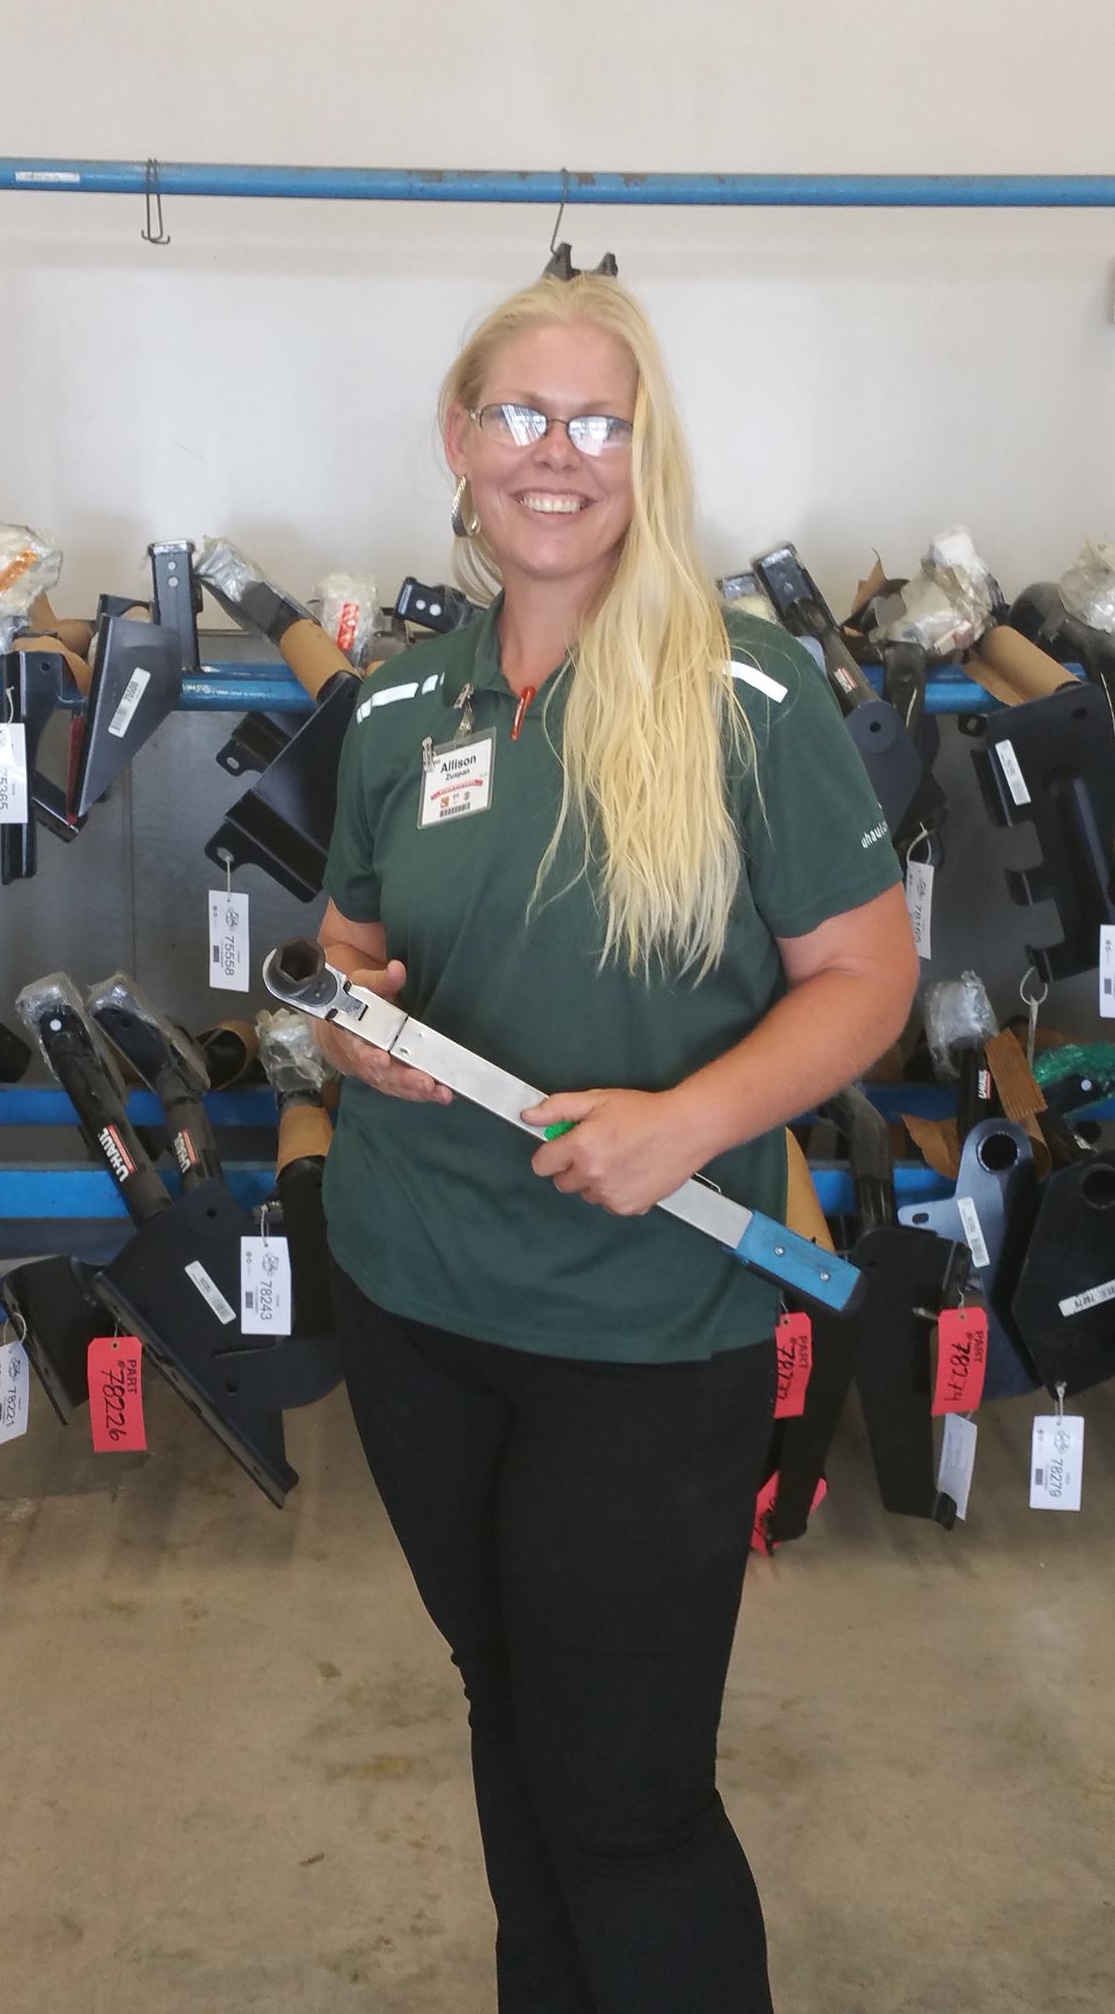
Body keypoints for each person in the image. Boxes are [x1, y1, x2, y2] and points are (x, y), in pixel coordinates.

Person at [315, 273, 917, 2014]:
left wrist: (692, 1124)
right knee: (510, 1720)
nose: (556, 455)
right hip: (415, 1298)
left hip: (645, 1330)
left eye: (600, 422)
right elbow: (348, 948)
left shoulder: (753, 695)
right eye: (521, 415)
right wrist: (347, 1025)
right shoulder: (400, 706)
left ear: (646, 452)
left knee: (627, 1801)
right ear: (461, 437)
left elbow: (868, 978)